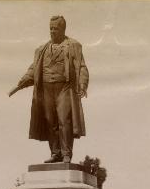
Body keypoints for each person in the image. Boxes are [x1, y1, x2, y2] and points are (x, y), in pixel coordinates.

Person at [8, 15, 89, 164]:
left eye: (55, 29)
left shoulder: (73, 46)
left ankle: (66, 154)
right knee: (50, 121)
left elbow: (82, 66)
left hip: (64, 87)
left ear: (63, 29)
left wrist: (83, 84)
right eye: (50, 28)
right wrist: (20, 84)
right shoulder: (41, 50)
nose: (52, 31)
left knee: (65, 120)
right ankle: (55, 153)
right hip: (46, 89)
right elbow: (33, 70)